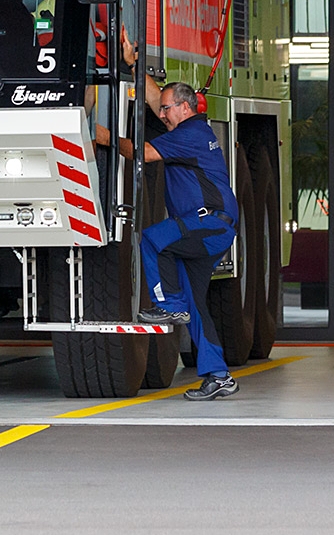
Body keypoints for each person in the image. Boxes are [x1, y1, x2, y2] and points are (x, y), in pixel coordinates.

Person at [120, 34, 242, 400]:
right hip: (212, 226)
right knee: (197, 302)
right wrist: (132, 62)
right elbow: (157, 95)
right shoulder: (190, 126)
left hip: (210, 223)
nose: (161, 113)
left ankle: (168, 306)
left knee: (153, 239)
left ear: (186, 108)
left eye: (168, 110)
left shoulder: (189, 134)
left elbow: (140, 152)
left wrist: (99, 135)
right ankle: (219, 375)